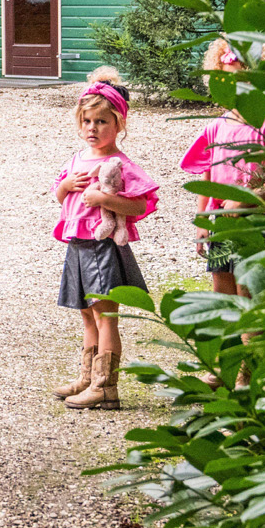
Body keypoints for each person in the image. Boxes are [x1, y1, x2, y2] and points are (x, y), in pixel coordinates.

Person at [180, 38, 265, 390]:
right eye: (227, 80)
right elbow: (207, 174)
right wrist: (202, 221)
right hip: (220, 227)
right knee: (222, 292)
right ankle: (227, 364)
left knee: (248, 293)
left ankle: (250, 369)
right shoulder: (219, 125)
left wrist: (243, 203)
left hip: (255, 226)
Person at [50, 67, 159, 411]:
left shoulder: (120, 163)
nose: (92, 129)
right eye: (87, 122)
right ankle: (87, 376)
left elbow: (141, 202)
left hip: (103, 247)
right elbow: (60, 194)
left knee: (105, 315)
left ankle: (105, 386)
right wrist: (65, 187)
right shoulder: (77, 158)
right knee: (86, 312)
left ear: (118, 125)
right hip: (78, 244)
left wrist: (104, 201)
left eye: (101, 122)